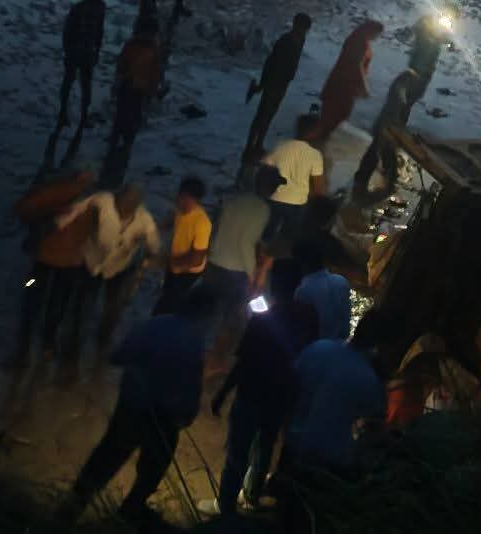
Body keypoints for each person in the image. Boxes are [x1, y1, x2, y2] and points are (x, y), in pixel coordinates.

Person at [57, 284, 218, 526]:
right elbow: (191, 385)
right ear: (205, 314)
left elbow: (118, 356)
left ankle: (69, 511)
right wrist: (187, 414)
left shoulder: (153, 324)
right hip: (162, 416)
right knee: (154, 467)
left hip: (130, 405)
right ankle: (130, 509)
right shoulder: (194, 340)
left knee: (105, 458)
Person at [210, 270, 313, 516]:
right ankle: (251, 496)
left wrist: (222, 393)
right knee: (265, 445)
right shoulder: (308, 316)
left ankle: (225, 506)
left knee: (238, 450)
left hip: (252, 392)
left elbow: (243, 361)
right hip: (282, 394)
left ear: (274, 286)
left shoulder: (263, 318)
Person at [279, 317, 388, 528]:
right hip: (328, 461)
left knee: (286, 511)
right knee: (308, 520)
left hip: (293, 445)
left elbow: (290, 387)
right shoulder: (368, 379)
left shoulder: (319, 348)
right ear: (379, 346)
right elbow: (375, 421)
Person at [9, 168, 96, 372]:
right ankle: (43, 343)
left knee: (39, 295)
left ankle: (31, 343)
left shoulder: (56, 192)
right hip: (59, 262)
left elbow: (21, 210)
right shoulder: (90, 200)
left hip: (56, 261)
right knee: (50, 299)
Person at [71, 184, 163, 373]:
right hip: (91, 262)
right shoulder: (104, 201)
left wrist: (147, 262)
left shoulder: (145, 221)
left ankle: (102, 343)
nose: (122, 208)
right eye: (121, 202)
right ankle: (73, 344)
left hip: (119, 268)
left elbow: (154, 247)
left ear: (136, 206)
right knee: (82, 305)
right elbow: (74, 211)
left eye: (129, 205)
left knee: (113, 308)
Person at [205, 166, 283, 364]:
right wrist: (252, 276)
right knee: (230, 320)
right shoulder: (262, 209)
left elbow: (217, 230)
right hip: (235, 272)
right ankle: (216, 361)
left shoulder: (234, 200)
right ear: (270, 187)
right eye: (275, 185)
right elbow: (246, 242)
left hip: (213, 264)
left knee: (206, 312)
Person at [245, 13, 311, 157]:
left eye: (305, 30)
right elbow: (270, 62)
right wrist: (264, 83)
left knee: (270, 114)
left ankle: (258, 144)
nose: (303, 32)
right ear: (295, 25)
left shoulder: (301, 40)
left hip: (283, 83)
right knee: (262, 115)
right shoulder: (284, 41)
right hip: (273, 81)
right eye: (302, 28)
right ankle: (249, 147)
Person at [261, 114, 328, 241]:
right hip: (297, 203)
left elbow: (264, 170)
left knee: (266, 235)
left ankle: (263, 249)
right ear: (314, 133)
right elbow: (319, 187)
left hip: (274, 197)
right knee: (288, 238)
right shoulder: (315, 155)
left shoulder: (280, 145)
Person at [354, 68, 420, 198]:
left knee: (376, 154)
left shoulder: (399, 91)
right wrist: (393, 131)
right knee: (380, 155)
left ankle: (366, 179)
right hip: (386, 129)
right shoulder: (399, 95)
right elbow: (393, 114)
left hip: (385, 128)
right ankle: (384, 183)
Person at [317, 20, 384, 139]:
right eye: (377, 34)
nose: (377, 37)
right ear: (371, 30)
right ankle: (318, 138)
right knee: (337, 113)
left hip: (347, 83)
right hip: (343, 83)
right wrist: (363, 86)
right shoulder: (359, 41)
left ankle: (321, 135)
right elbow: (357, 65)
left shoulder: (362, 40)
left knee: (336, 113)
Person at [154, 177, 212, 314]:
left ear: (195, 201)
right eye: (179, 196)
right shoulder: (179, 210)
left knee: (169, 306)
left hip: (187, 273)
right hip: (174, 266)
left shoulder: (202, 224)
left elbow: (196, 259)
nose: (179, 201)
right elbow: (171, 221)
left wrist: (166, 261)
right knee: (167, 295)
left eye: (184, 199)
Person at [58, 0, 106, 127]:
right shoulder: (80, 9)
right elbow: (68, 31)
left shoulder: (99, 7)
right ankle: (65, 113)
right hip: (77, 51)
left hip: (85, 52)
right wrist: (68, 50)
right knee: (73, 82)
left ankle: (78, 114)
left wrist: (97, 49)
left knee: (82, 84)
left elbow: (100, 30)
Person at [110, 15, 161, 150]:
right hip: (127, 85)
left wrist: (152, 90)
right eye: (146, 32)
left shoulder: (154, 49)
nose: (148, 36)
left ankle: (127, 139)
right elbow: (121, 65)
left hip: (141, 89)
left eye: (151, 34)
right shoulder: (130, 45)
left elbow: (155, 72)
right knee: (121, 113)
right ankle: (116, 136)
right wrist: (116, 83)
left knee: (134, 115)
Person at [405, 13, 448, 105]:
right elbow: (416, 29)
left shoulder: (439, 28)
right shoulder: (428, 22)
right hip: (419, 64)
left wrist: (449, 43)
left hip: (426, 66)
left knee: (415, 93)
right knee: (409, 92)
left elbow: (444, 39)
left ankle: (406, 104)